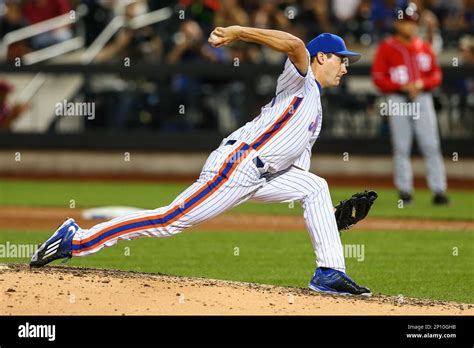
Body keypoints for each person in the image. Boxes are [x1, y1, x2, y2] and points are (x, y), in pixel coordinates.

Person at [30, 26, 376, 296]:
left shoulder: (314, 113)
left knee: (316, 187)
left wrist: (328, 219)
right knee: (169, 220)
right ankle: (76, 239)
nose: (345, 67)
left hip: (262, 174)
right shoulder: (299, 82)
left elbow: (297, 175)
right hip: (237, 164)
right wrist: (239, 32)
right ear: (321, 58)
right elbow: (295, 45)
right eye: (341, 59)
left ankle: (329, 273)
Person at [371, 3, 449, 205]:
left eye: (413, 22)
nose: (410, 26)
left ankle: (439, 192)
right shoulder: (386, 47)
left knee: (431, 146)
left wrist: (423, 83)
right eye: (405, 22)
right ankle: (405, 193)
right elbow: (378, 77)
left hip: (422, 98)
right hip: (397, 98)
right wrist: (401, 86)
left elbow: (437, 75)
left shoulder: (424, 47)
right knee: (401, 147)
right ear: (397, 23)